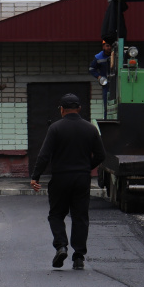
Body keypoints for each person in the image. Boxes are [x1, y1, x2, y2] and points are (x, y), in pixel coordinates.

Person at [29, 93, 106, 271]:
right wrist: (87, 167)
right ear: (79, 108)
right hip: (81, 179)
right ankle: (78, 257)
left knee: (56, 215)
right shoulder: (91, 129)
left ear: (62, 110)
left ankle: (61, 246)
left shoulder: (55, 129)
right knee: (80, 217)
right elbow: (101, 155)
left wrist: (36, 176)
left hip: (60, 178)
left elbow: (44, 155)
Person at [88, 41, 114, 117]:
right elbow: (91, 68)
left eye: (111, 46)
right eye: (107, 46)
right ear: (103, 47)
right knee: (106, 104)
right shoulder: (98, 57)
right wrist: (99, 77)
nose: (109, 48)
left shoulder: (116, 56)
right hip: (106, 84)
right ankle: (107, 119)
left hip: (116, 83)